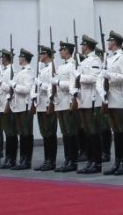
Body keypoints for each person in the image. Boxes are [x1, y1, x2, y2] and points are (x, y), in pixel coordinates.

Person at [101, 30, 123, 176]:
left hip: (119, 97)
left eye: (109, 41)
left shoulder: (122, 58)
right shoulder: (110, 58)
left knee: (122, 132)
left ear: (114, 42)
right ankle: (117, 161)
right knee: (116, 132)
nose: (108, 43)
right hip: (110, 98)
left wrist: (110, 75)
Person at [74, 35, 103, 174]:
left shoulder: (94, 60)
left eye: (83, 45)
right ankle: (90, 161)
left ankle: (96, 163)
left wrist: (80, 77)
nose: (81, 47)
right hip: (84, 100)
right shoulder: (84, 61)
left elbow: (96, 77)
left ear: (87, 46)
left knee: (94, 132)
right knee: (88, 132)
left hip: (92, 99)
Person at [53, 41, 79, 172]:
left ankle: (72, 161)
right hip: (60, 103)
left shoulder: (73, 65)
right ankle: (67, 159)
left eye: (62, 50)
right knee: (65, 133)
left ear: (67, 51)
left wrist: (58, 82)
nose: (59, 52)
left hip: (68, 102)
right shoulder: (61, 66)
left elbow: (72, 84)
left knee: (71, 133)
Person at [8, 48, 35, 170]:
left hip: (25, 106)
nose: (18, 58)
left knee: (26, 134)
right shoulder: (20, 72)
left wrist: (14, 85)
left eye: (20, 57)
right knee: (22, 134)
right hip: (18, 106)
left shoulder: (28, 72)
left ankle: (26, 160)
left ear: (24, 58)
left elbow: (27, 89)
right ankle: (22, 158)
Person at [33, 45, 58, 171]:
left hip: (49, 104)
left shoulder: (52, 68)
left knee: (50, 133)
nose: (39, 56)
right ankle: (46, 160)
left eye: (41, 54)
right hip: (41, 104)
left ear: (47, 54)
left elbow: (52, 87)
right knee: (45, 134)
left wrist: (41, 85)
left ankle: (51, 161)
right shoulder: (43, 69)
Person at [0, 49, 17, 169]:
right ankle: (8, 158)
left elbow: (10, 89)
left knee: (10, 133)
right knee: (7, 133)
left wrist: (0, 83)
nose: (1, 59)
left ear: (7, 58)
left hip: (8, 105)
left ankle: (11, 159)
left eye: (3, 57)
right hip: (2, 104)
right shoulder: (4, 71)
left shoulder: (10, 71)